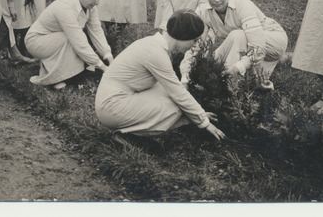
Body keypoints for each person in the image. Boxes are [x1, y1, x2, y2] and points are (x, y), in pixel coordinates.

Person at [95, 10, 226, 142]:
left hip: (115, 100)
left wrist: (198, 115)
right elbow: (178, 93)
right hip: (111, 107)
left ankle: (132, 130)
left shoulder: (154, 44)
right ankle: (129, 135)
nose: (195, 45)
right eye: (195, 40)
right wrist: (205, 123)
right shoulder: (155, 53)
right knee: (175, 106)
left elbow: (173, 90)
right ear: (184, 37)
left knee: (171, 96)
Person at [190, 0, 288, 90]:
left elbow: (258, 47)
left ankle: (229, 88)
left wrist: (238, 67)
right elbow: (199, 45)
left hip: (272, 39)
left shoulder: (243, 5)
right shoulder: (203, 10)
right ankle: (230, 83)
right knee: (211, 66)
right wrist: (193, 69)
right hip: (245, 43)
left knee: (238, 36)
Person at [25, 0, 114, 90]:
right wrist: (102, 67)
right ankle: (53, 78)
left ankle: (68, 74)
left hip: (56, 39)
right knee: (72, 39)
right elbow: (79, 43)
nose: (97, 3)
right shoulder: (65, 7)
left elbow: (96, 32)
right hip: (36, 41)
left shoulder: (91, 7)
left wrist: (109, 57)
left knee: (72, 38)